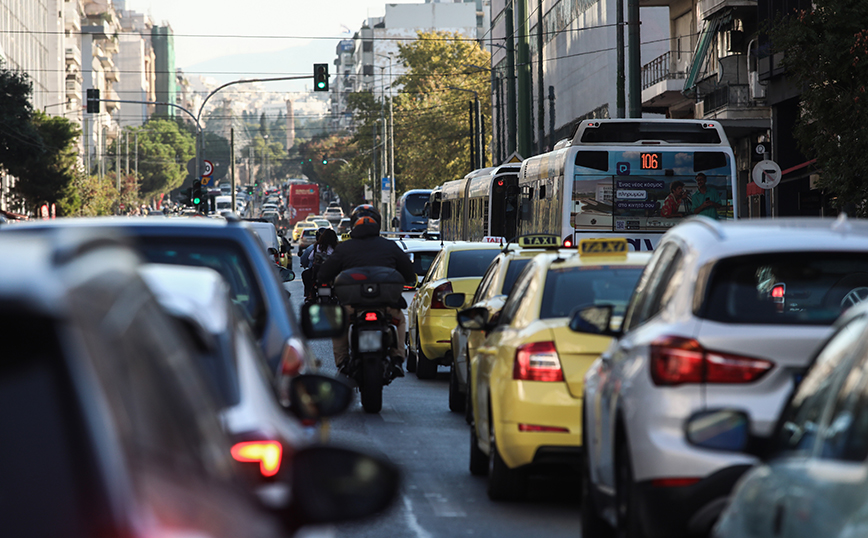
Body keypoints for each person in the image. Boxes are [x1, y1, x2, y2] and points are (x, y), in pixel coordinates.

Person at [317, 204, 415, 377]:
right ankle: (398, 358)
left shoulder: (344, 248)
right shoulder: (390, 246)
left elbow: (324, 273)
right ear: (377, 223)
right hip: (386, 305)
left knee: (339, 324)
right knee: (399, 319)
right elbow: (409, 273)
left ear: (354, 224)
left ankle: (343, 362)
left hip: (353, 305)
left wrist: (325, 284)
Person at [306, 229, 338, 303]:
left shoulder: (318, 246)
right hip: (332, 273)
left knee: (306, 275)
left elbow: (310, 257)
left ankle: (310, 293)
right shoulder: (336, 247)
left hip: (317, 272)